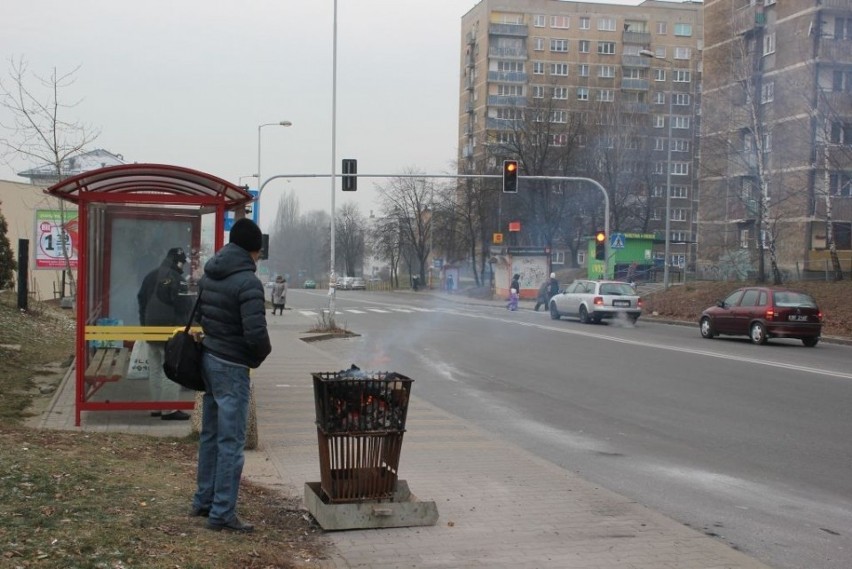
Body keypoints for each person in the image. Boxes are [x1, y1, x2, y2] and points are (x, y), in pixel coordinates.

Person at [192, 218, 272, 533]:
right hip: (232, 367)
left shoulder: (211, 272)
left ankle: (204, 500)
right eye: (259, 252)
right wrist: (255, 357)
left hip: (209, 360)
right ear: (253, 250)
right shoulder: (248, 282)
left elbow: (201, 315)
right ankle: (223, 512)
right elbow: (256, 336)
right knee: (231, 442)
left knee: (211, 435)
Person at [137, 247, 192, 421]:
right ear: (178, 261)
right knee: (171, 369)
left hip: (151, 331)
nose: (183, 266)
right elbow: (184, 307)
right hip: (170, 333)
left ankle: (156, 407)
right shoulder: (177, 279)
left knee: (154, 370)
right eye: (183, 262)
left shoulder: (150, 276)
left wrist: (145, 326)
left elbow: (141, 301)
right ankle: (169, 409)